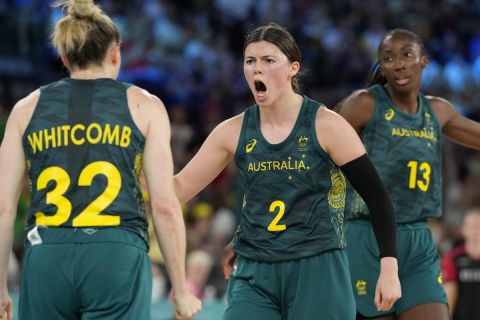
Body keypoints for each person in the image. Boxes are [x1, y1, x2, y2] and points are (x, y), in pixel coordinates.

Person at [174, 22, 401, 320]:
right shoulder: (232, 130)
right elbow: (178, 189)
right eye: (250, 61)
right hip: (256, 269)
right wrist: (133, 167)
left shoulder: (327, 125)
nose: (257, 69)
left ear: (293, 68)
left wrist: (389, 267)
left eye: (269, 60)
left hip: (317, 267)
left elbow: (377, 196)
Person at [0, 1, 201, 319]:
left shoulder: (25, 109)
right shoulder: (144, 106)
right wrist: (181, 290)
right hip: (116, 252)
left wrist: (0, 288)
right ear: (116, 53)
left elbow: (3, 206)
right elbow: (163, 204)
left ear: (64, 57)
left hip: (46, 252)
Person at [335, 28, 480, 320]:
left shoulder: (438, 111)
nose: (398, 63)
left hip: (417, 239)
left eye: (407, 55)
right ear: (383, 66)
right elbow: (319, 141)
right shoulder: (365, 104)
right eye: (388, 58)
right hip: (367, 236)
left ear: (423, 61)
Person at [441, 208, 480, 320]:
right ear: (463, 229)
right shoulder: (453, 258)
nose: (475, 230)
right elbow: (449, 295)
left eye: (478, 225)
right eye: (471, 226)